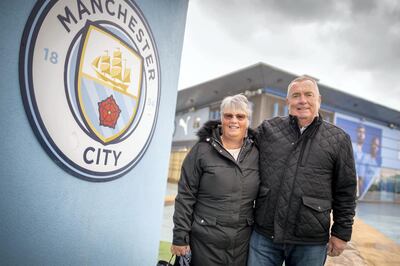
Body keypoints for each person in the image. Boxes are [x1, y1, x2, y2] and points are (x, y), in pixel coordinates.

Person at [249, 76, 357, 266]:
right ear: (288, 101)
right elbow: (238, 149)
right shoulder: (268, 129)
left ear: (319, 100)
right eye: (296, 95)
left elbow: (346, 190)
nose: (302, 100)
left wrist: (341, 233)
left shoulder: (339, 140)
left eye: (308, 94)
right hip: (264, 235)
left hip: (310, 242)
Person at [171, 94, 260, 265]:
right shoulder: (201, 151)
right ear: (221, 119)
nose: (234, 121)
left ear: (248, 120)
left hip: (241, 245)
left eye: (240, 116)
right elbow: (185, 196)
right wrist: (180, 236)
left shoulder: (257, 153)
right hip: (204, 242)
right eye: (228, 116)